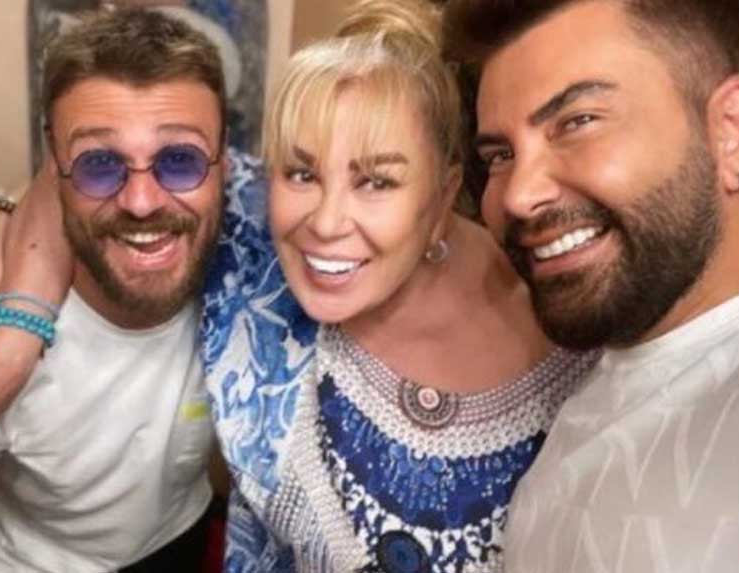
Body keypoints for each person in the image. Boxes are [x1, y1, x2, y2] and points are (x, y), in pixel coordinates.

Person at [200, 1, 598, 571]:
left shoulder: (579, 327)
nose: (326, 222)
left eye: (376, 182)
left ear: (442, 197)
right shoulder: (246, 245)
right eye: (302, 173)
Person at [0, 9, 248, 572]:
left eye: (179, 161)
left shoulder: (253, 267)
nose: (142, 202)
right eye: (100, 164)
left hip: (181, 538)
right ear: (56, 164)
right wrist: (14, 336)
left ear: (224, 160)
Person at [443, 0, 739, 570]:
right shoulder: (603, 380)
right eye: (501, 155)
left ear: (731, 130)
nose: (518, 196)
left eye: (577, 122)